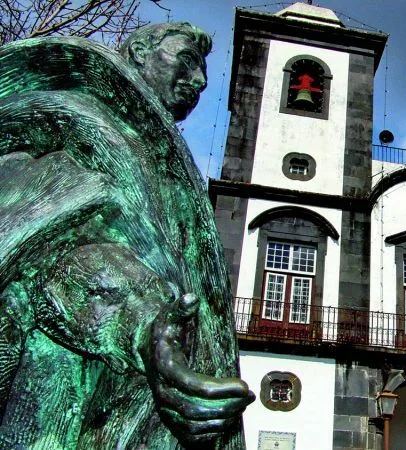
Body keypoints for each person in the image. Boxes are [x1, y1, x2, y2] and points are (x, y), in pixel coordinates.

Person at [0, 23, 253, 448]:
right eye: (187, 60)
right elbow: (59, 244)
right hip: (63, 392)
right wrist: (142, 325)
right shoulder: (70, 121)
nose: (199, 82)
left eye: (203, 72)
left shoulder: (165, 166)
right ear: (138, 51)